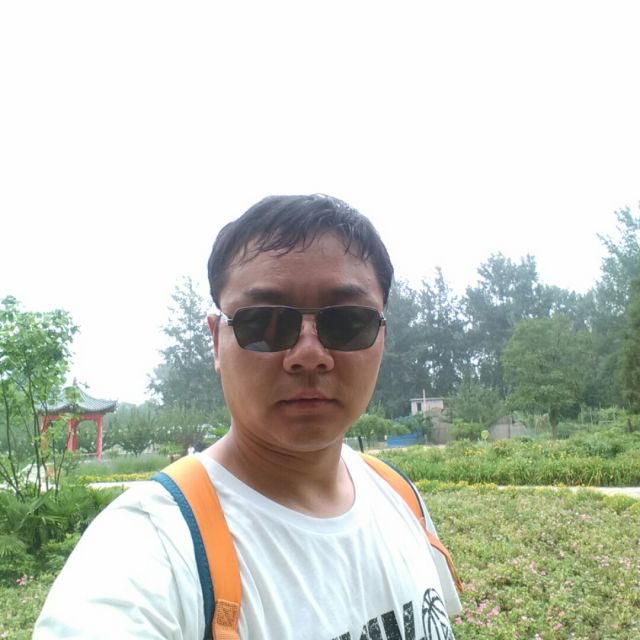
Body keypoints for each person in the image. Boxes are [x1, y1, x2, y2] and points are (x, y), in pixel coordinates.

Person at [34, 194, 461, 639]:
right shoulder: (153, 547)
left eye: (348, 322)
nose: (309, 354)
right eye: (266, 323)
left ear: (382, 337)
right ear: (217, 342)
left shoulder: (398, 496)